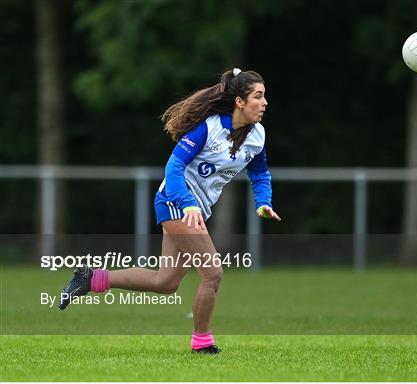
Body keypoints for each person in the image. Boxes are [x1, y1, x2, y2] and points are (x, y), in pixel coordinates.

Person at [58, 68, 281, 354]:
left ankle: (92, 278)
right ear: (239, 101)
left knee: (165, 282)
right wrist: (187, 203)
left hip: (195, 209)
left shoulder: (257, 135)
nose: (264, 103)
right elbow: (173, 168)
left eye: (264, 97)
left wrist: (263, 201)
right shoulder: (209, 127)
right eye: (258, 97)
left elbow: (260, 173)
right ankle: (202, 342)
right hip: (175, 201)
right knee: (212, 273)